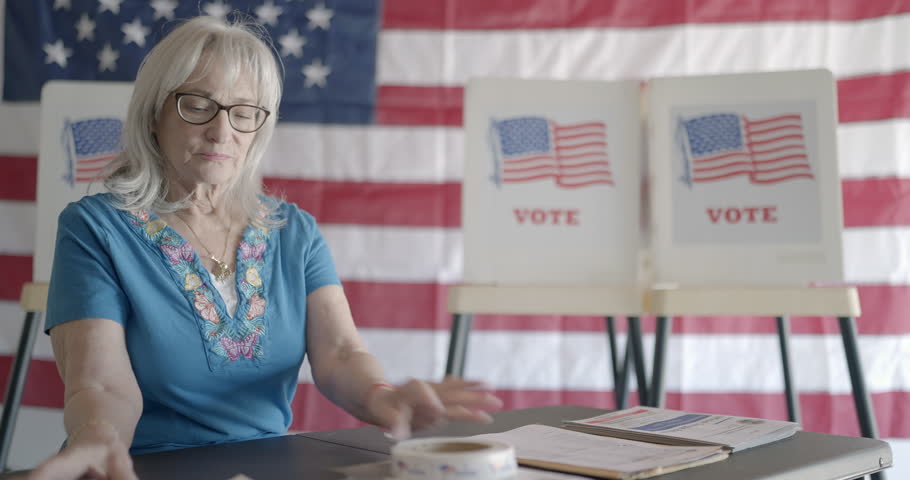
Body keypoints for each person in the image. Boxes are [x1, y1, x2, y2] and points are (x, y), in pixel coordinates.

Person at [29, 14, 502, 480]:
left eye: (243, 111)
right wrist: (98, 438)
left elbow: (340, 354)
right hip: (138, 466)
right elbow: (101, 383)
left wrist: (383, 397)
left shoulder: (294, 232)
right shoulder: (94, 228)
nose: (222, 131)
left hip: (268, 466)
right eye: (197, 104)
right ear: (154, 112)